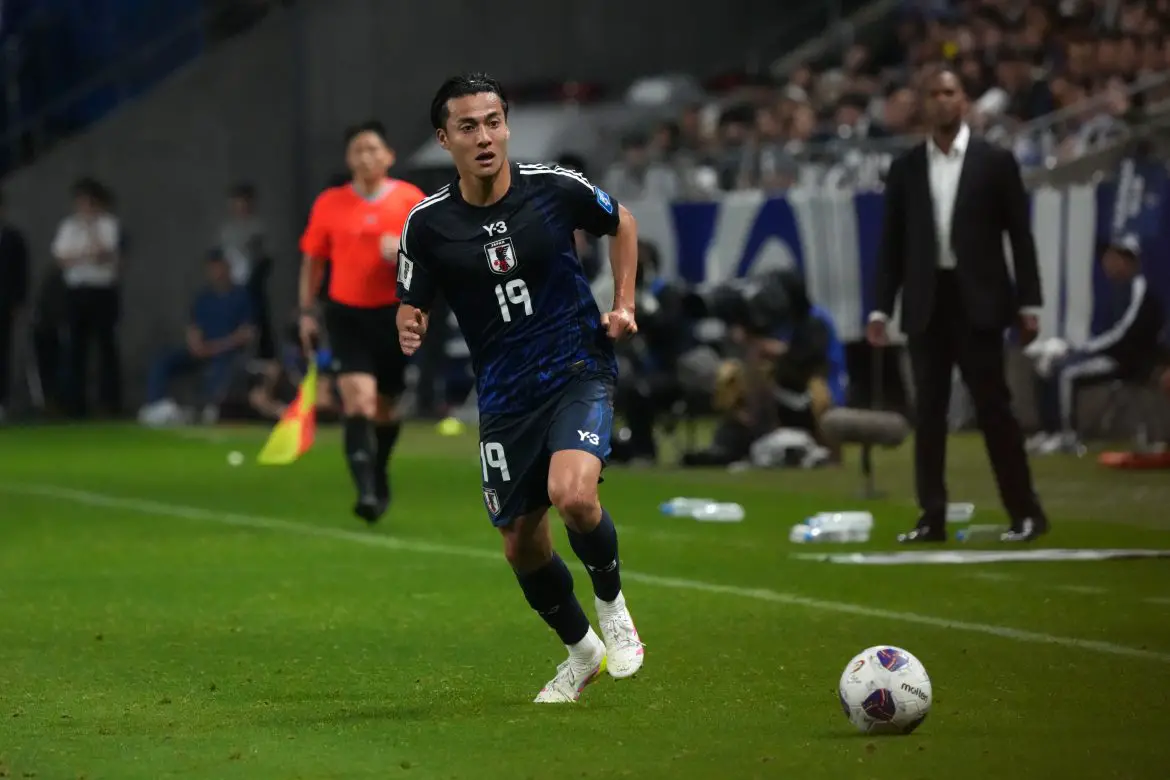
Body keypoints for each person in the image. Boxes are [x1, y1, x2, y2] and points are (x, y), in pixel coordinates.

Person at [395, 73, 644, 703]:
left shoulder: (554, 188)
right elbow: (412, 296)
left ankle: (613, 607)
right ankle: (582, 651)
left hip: (576, 366)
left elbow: (623, 223)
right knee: (520, 547)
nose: (484, 137)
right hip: (505, 396)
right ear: (444, 139)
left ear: (506, 126)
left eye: (493, 122)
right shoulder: (426, 224)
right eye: (468, 127)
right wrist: (409, 319)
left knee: (574, 496)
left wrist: (623, 304)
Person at [867, 65, 1048, 544]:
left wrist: (1030, 302)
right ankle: (932, 517)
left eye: (949, 92)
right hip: (927, 300)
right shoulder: (906, 168)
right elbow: (892, 245)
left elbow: (1020, 237)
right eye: (933, 94)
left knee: (994, 411)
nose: (942, 100)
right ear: (922, 104)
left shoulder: (995, 161)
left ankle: (1026, 512)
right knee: (929, 415)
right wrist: (880, 308)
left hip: (979, 299)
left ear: (963, 100)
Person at [298, 121, 427, 524]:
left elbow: (436, 257)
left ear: (389, 156)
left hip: (393, 314)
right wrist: (306, 312)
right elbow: (313, 260)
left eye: (373, 149)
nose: (366, 157)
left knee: (385, 407)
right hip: (345, 313)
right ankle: (366, 491)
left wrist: (404, 251)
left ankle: (380, 470)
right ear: (348, 158)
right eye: (358, 150)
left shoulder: (411, 200)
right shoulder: (330, 203)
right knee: (358, 401)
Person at [1029, 236, 1165, 454]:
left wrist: (1082, 350)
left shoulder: (1140, 290)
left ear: (1128, 261)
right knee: (1047, 366)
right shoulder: (1115, 291)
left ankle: (1067, 435)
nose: (1107, 263)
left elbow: (1123, 334)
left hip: (1127, 361)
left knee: (1068, 374)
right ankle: (1049, 431)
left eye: (1113, 258)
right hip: (1108, 354)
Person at [138, 251, 255, 426]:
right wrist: (196, 344)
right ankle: (158, 406)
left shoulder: (242, 296)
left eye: (219, 268)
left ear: (227, 268)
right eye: (212, 269)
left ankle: (209, 408)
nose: (216, 273)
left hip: (226, 352)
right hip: (201, 351)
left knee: (223, 366)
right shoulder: (203, 297)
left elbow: (246, 334)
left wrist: (215, 347)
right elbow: (194, 327)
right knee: (163, 359)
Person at [52, 177, 122, 418]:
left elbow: (103, 253)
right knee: (75, 347)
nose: (83, 207)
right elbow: (62, 259)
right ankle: (74, 404)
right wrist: (84, 256)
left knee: (105, 346)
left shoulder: (108, 224)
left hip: (101, 290)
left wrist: (91, 229)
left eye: (88, 202)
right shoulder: (68, 226)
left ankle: (109, 403)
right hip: (76, 291)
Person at [0, 191, 30, 422]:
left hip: (4, 303)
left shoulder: (13, 238)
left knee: (2, 353)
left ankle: (1, 402)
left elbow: (21, 273)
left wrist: (18, 301)